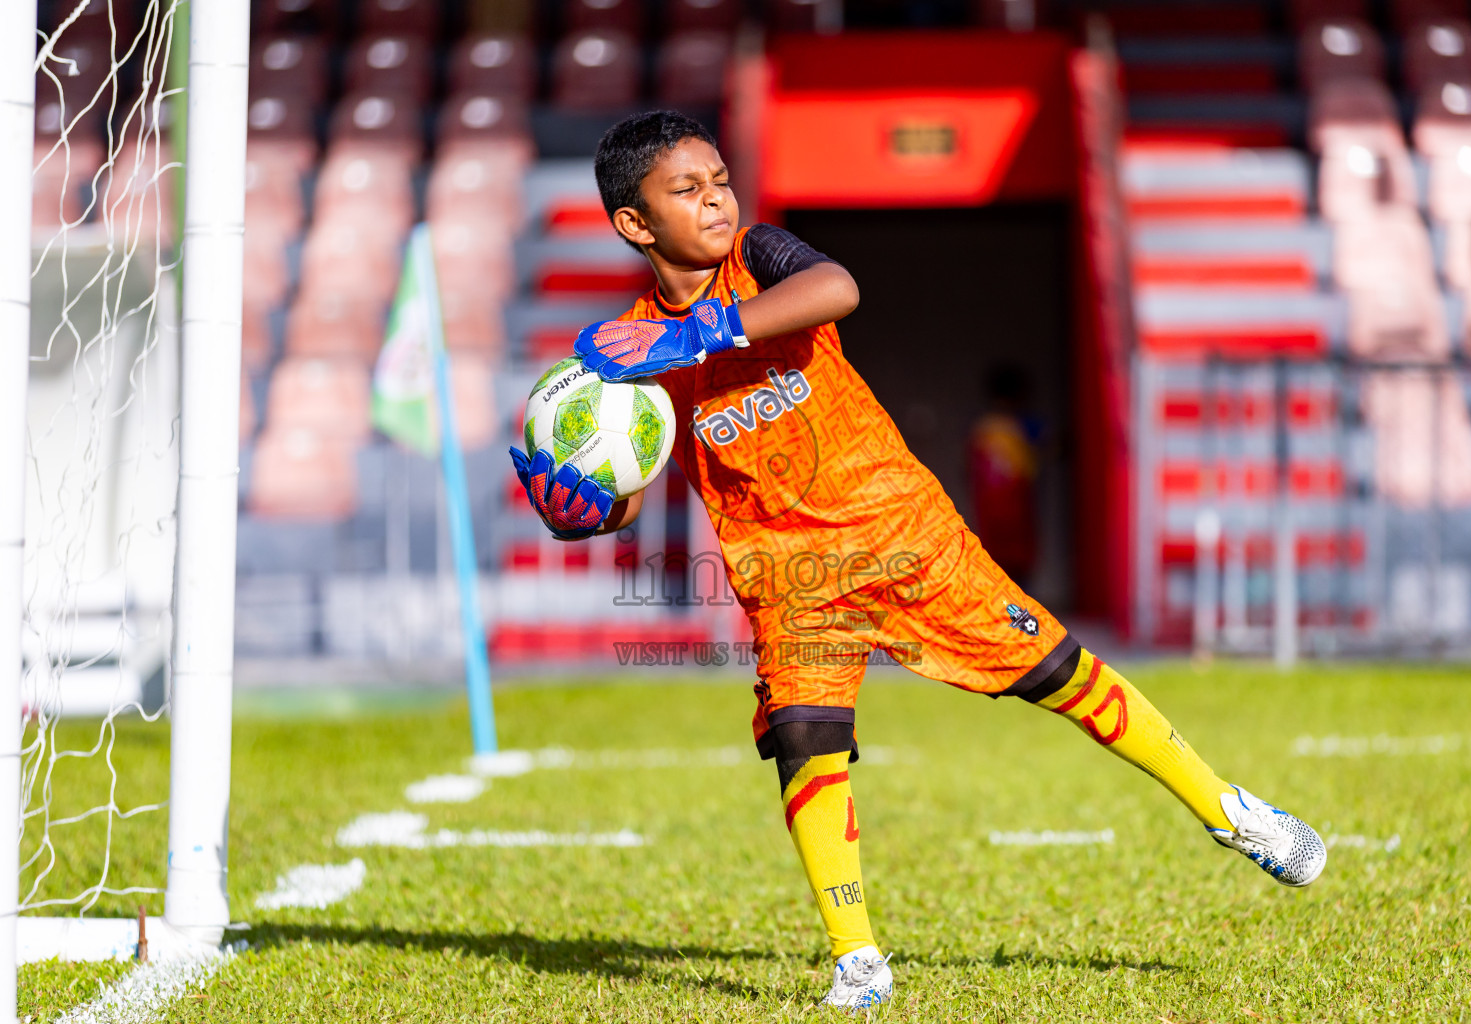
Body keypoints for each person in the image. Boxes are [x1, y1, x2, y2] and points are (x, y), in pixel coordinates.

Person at [509, 111, 1327, 1011]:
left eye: (719, 180)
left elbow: (837, 287)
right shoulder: (623, 352)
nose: (715, 200)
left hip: (902, 530)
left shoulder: (758, 257)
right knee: (804, 740)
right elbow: (624, 483)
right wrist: (580, 510)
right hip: (791, 576)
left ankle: (1229, 811)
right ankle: (857, 957)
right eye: (687, 190)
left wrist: (702, 333)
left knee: (1059, 674)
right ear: (634, 224)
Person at [966, 363, 1044, 589]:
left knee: (992, 561)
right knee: (1019, 564)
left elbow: (968, 471)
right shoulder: (1025, 425)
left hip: (988, 506)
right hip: (1018, 505)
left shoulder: (980, 428)